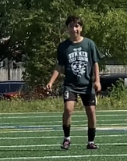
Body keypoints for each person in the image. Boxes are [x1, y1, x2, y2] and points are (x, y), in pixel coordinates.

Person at [43, 15, 102, 150]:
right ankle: (67, 138)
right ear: (67, 28)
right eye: (71, 26)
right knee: (68, 109)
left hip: (86, 85)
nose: (74, 29)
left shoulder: (89, 44)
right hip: (70, 85)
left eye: (76, 26)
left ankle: (91, 141)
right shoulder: (63, 46)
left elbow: (95, 63)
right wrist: (51, 82)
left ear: (81, 28)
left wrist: (97, 80)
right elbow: (59, 66)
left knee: (91, 111)